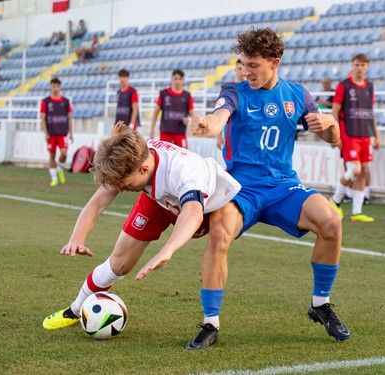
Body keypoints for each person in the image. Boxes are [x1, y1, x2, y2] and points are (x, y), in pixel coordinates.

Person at [140, 28, 349, 350]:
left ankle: (320, 304)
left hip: (284, 187)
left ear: (274, 62)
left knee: (332, 222)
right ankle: (210, 323)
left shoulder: (298, 94)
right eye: (243, 63)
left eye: (253, 65)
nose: (246, 71)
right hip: (241, 189)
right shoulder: (235, 91)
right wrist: (208, 126)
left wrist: (330, 126)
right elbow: (220, 116)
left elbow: (332, 138)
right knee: (219, 232)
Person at [42, 124, 241, 336]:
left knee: (218, 242)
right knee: (119, 263)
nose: (120, 189)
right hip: (158, 199)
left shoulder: (182, 170)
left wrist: (167, 250)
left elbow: (192, 212)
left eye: (124, 184)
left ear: (143, 169)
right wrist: (77, 239)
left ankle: (211, 322)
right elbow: (97, 202)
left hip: (210, 204)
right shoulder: (131, 159)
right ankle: (74, 310)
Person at [329, 53, 379, 222]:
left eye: (363, 65)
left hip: (365, 134)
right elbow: (335, 110)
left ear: (367, 66)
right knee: (354, 170)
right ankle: (335, 201)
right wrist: (335, 135)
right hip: (349, 133)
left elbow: (371, 113)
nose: (360, 68)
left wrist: (376, 135)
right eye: (357, 65)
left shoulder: (369, 87)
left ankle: (357, 212)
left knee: (363, 171)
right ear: (352, 65)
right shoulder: (344, 86)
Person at [40, 77, 74, 187]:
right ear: (51, 87)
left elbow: (69, 118)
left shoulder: (65, 102)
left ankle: (60, 168)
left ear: (60, 87)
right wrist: (45, 133)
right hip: (51, 133)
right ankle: (54, 178)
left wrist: (71, 133)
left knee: (64, 154)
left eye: (57, 86)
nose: (55, 88)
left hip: (62, 132)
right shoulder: (46, 102)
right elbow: (43, 118)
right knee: (52, 155)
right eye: (53, 86)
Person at [149, 69, 194, 148]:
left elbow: (192, 114)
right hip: (165, 132)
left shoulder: (187, 96)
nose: (177, 81)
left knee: (183, 157)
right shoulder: (163, 94)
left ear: (183, 80)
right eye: (175, 79)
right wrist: (152, 129)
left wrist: (189, 121)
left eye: (180, 79)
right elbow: (156, 112)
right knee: (164, 156)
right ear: (172, 79)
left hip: (180, 133)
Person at [217, 59, 246, 150]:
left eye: (244, 68)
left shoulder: (253, 88)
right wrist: (219, 136)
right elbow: (220, 112)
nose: (242, 71)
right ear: (235, 70)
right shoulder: (229, 89)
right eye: (240, 68)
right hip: (232, 134)